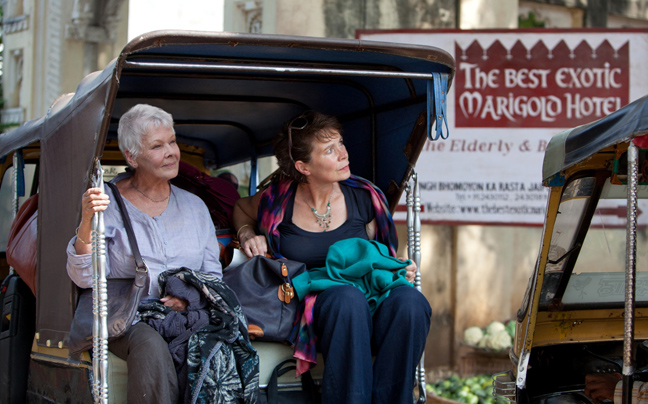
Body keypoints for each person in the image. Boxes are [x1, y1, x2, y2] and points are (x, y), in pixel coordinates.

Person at [233, 110, 430, 404]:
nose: (343, 154)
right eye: (329, 149)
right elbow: (241, 208)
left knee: (411, 302)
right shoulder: (277, 200)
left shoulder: (365, 197)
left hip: (369, 298)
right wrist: (249, 233)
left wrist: (399, 270)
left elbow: (382, 256)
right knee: (345, 298)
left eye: (340, 143)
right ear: (304, 166)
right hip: (312, 302)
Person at [66, 104, 223, 404]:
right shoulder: (105, 204)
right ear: (131, 156)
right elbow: (84, 278)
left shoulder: (195, 207)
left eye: (172, 141)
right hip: (128, 318)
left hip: (187, 312)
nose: (172, 152)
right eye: (157, 145)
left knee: (216, 345)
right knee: (150, 347)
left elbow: (212, 275)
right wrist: (86, 224)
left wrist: (188, 298)